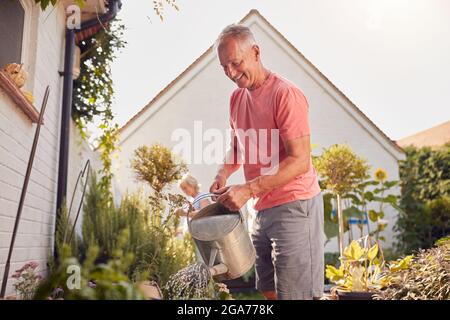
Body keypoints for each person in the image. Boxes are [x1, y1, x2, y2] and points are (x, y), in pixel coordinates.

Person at [209, 24, 324, 300]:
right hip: (262, 210)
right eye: (225, 68)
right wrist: (222, 174)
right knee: (269, 292)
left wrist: (248, 189)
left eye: (236, 63)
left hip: (295, 207)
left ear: (256, 52)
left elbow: (300, 160)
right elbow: (237, 146)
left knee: (296, 295)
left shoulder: (285, 94)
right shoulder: (236, 98)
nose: (232, 74)